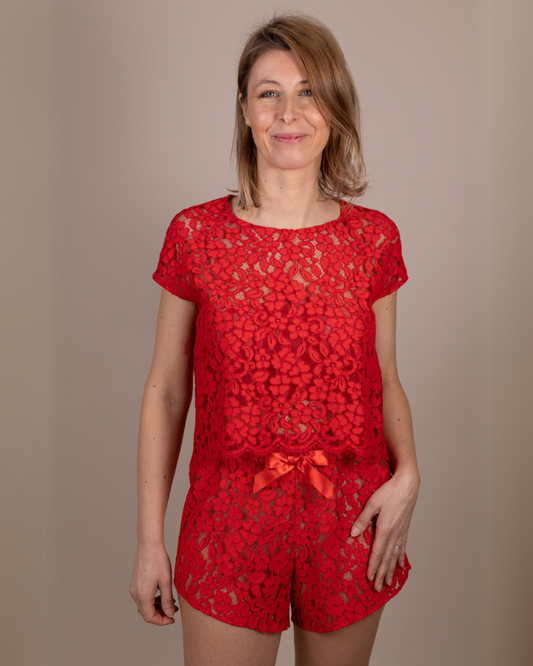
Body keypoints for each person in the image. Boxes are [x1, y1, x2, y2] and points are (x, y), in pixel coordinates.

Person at [130, 10, 420, 666]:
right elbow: (166, 392)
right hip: (227, 519)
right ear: (244, 109)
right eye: (269, 93)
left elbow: (385, 378)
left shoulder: (373, 239)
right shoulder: (195, 236)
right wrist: (149, 541)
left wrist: (409, 474)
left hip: (349, 518)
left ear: (333, 107)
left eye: (308, 91)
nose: (289, 112)